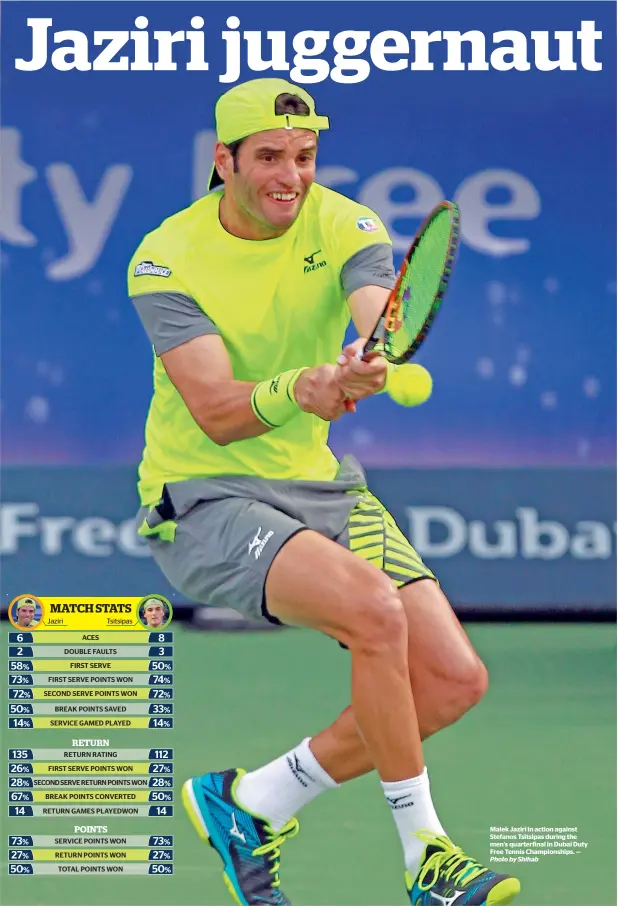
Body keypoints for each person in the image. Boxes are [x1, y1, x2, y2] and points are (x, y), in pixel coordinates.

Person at [128, 78, 520, 906]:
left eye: (304, 157)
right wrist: (297, 389)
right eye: (269, 157)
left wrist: (365, 358)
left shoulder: (346, 221)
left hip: (322, 489)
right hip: (204, 498)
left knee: (452, 682)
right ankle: (427, 857)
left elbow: (381, 309)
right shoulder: (165, 258)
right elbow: (217, 410)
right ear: (223, 161)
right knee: (376, 613)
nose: (291, 176)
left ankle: (251, 802)